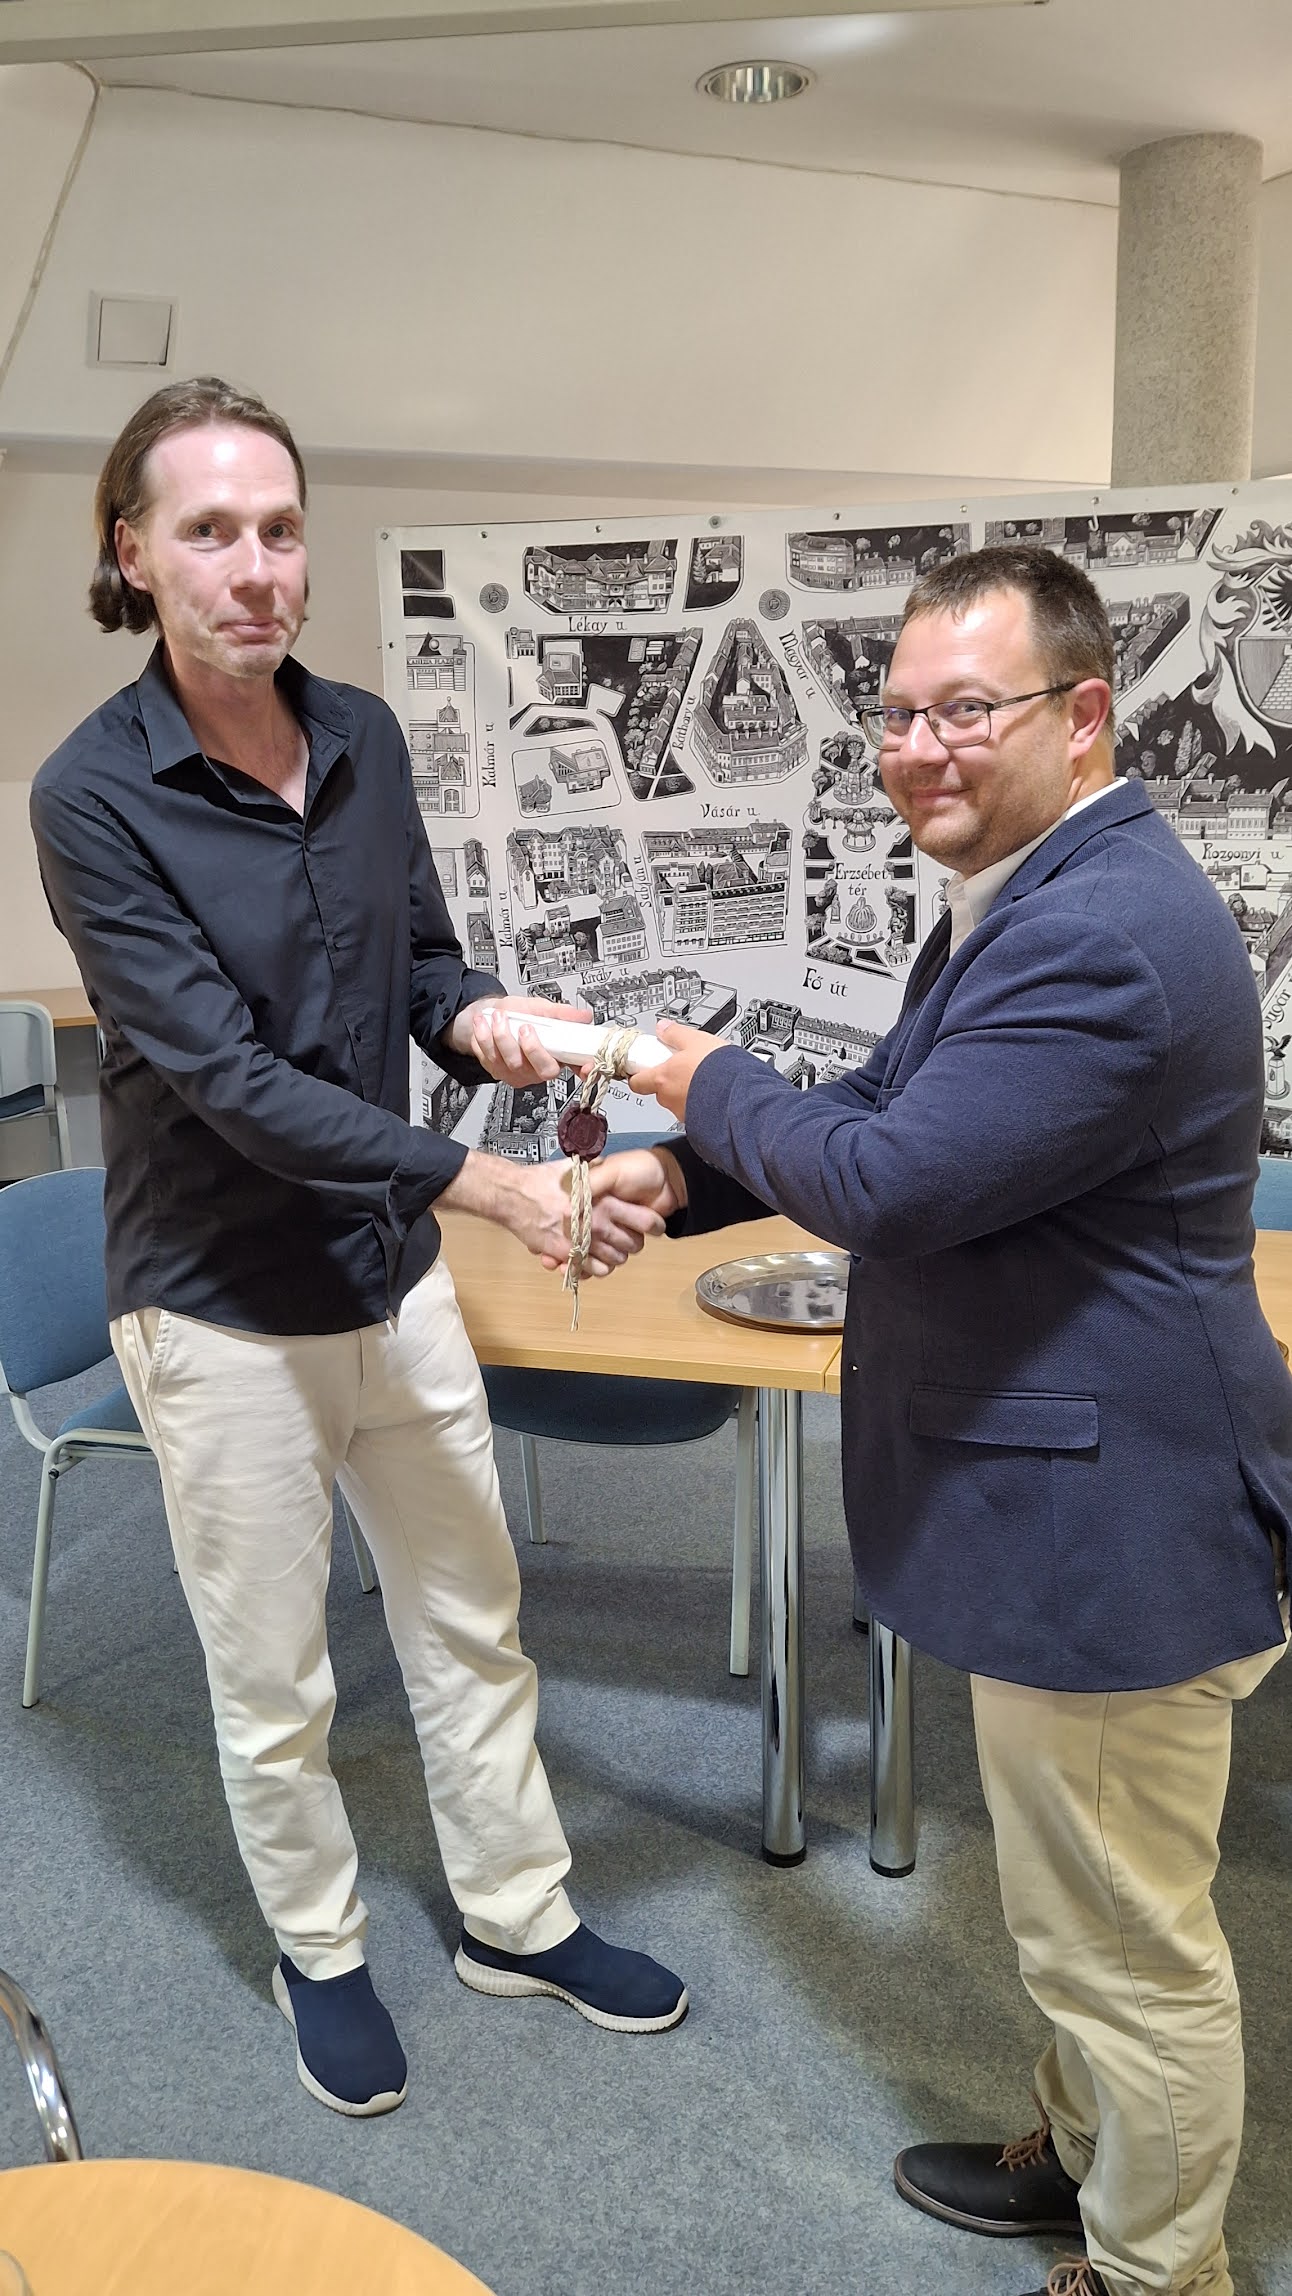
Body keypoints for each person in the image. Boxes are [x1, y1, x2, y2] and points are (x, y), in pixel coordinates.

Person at [594, 546, 1292, 2296]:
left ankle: (1160, 2272)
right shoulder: (1033, 891)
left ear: (1084, 712)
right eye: (896, 714)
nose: (916, 748)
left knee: (1124, 1944)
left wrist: (702, 1076)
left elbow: (891, 1184)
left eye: (964, 710)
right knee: (1076, 1908)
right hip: (1066, 1497)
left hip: (1118, 1532)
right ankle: (1087, 2157)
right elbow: (891, 1102)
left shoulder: (1104, 935)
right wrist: (682, 1177)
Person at [29, 375, 686, 2121]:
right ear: (134, 554)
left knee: (472, 1615)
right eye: (209, 531)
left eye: (280, 527)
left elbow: (423, 970)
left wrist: (498, 1026)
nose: (256, 567)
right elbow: (232, 1085)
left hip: (387, 1280)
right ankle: (318, 1951)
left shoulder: (369, 739)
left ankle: (518, 1917)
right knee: (278, 1681)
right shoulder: (91, 796)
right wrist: (484, 1188)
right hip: (220, 1304)